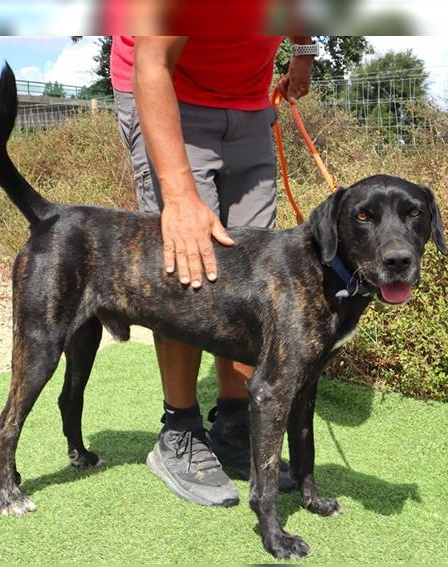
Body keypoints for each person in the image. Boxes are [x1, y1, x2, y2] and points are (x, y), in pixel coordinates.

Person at [111, 36, 317, 506]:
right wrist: (180, 197)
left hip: (247, 101)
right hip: (165, 86)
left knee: (251, 274)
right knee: (189, 270)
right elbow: (152, 60)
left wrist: (304, 53)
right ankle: (179, 430)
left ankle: (232, 424)